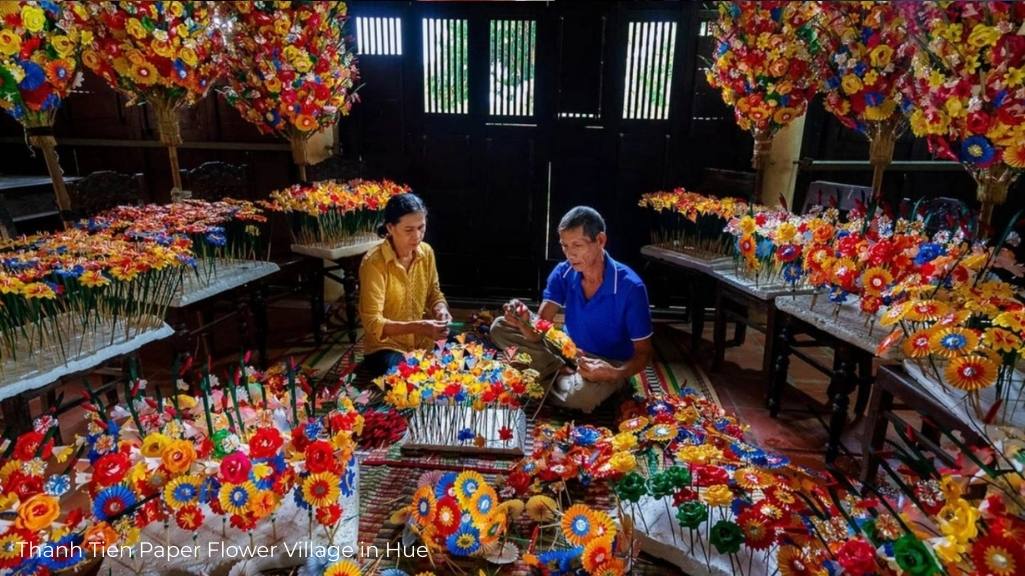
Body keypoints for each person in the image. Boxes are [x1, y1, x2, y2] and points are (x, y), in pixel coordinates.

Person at [491, 206, 653, 413]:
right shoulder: (564, 272)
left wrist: (613, 373)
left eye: (577, 245)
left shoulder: (631, 287)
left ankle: (539, 379)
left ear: (600, 241)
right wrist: (523, 321)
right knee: (500, 327)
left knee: (581, 397)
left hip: (606, 362)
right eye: (565, 246)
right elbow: (538, 332)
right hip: (567, 350)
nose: (570, 254)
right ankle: (559, 372)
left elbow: (644, 353)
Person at [359, 193, 451, 377]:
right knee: (408, 377)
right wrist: (420, 326)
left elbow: (434, 294)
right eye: (408, 230)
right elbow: (373, 323)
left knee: (469, 354)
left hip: (424, 341)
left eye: (421, 228)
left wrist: (441, 309)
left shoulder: (426, 253)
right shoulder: (374, 263)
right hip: (387, 347)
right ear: (390, 228)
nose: (417, 236)